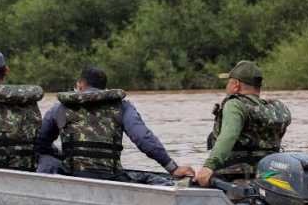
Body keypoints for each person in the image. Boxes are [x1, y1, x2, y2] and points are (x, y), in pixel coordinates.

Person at [35, 66, 194, 182]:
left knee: (48, 161)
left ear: (81, 84)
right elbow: (143, 138)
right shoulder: (122, 106)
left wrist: (60, 155)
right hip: (111, 176)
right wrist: (173, 168)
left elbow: (41, 142)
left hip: (73, 174)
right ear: (104, 88)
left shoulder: (61, 108)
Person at [195, 60, 291, 187]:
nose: (226, 86)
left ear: (236, 85)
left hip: (233, 176)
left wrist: (208, 167)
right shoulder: (277, 108)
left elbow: (228, 136)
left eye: (228, 82)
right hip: (267, 174)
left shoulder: (234, 105)